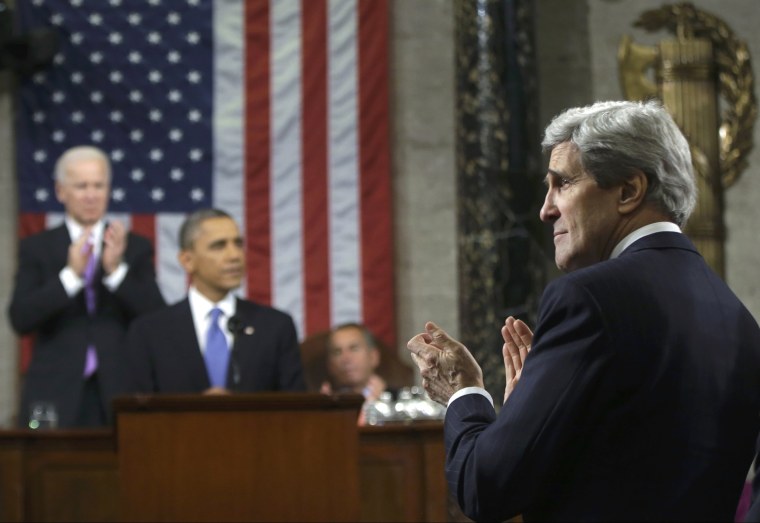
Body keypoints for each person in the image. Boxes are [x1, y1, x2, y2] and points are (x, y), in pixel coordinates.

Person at [407, 100, 760, 521]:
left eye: (563, 184)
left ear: (629, 190)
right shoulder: (738, 316)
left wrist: (463, 391)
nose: (546, 208)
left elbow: (486, 488)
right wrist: (533, 414)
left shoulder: (589, 299)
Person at [7, 145, 166, 428]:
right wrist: (70, 276)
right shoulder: (37, 248)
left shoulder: (134, 247)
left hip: (120, 389)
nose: (91, 195)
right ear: (60, 192)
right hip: (53, 390)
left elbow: (156, 317)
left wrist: (116, 271)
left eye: (99, 185)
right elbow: (20, 318)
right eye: (81, 186)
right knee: (45, 469)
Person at [125, 208, 305, 394]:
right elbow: (138, 414)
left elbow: (296, 411)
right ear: (187, 260)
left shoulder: (275, 326)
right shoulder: (149, 332)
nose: (234, 256)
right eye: (219, 246)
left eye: (238, 244)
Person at [320, 322, 387, 402]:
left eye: (354, 349)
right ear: (330, 364)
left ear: (373, 357)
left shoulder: (398, 401)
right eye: (337, 352)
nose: (346, 358)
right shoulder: (324, 403)